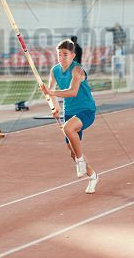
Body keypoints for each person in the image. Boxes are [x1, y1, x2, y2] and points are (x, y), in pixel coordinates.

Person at [40, 39, 98, 194]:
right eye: (59, 54)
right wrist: (55, 106)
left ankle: (80, 161)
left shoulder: (77, 70)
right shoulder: (55, 70)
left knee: (68, 128)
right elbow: (50, 90)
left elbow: (72, 92)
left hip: (86, 110)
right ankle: (92, 176)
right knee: (71, 151)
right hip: (70, 112)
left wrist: (51, 93)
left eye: (65, 54)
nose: (61, 57)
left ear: (73, 55)